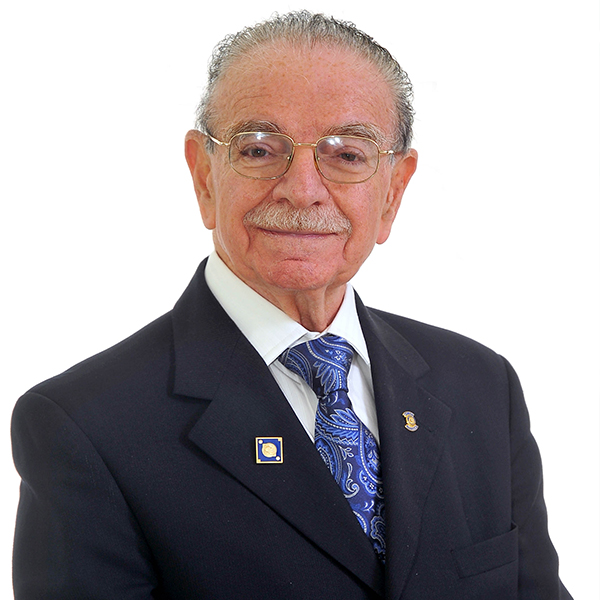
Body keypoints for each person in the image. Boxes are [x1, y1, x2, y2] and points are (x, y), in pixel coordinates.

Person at [11, 10, 572, 600]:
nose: (303, 190)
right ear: (204, 176)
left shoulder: (482, 386)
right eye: (258, 149)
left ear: (393, 191)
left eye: (347, 155)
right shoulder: (84, 427)